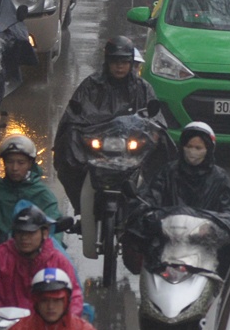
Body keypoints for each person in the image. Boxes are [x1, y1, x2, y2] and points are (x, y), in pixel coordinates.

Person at [54, 37, 165, 211]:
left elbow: (155, 118)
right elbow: (74, 114)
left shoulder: (143, 88)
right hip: (96, 147)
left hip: (131, 147)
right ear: (107, 61)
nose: (119, 66)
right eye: (115, 61)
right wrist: (77, 131)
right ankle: (82, 206)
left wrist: (153, 132)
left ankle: (148, 209)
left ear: (131, 63)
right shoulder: (91, 85)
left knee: (161, 154)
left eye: (124, 62)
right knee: (68, 149)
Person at [121, 122, 230, 274]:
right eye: (189, 146)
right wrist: (154, 219)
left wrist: (212, 228)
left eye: (198, 148)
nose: (192, 152)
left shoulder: (219, 178)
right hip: (168, 244)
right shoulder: (168, 173)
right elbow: (149, 201)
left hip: (206, 247)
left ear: (208, 150)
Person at [0, 134, 67, 254]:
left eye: (21, 163)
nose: (15, 168)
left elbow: (53, 226)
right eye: (10, 162)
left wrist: (49, 251)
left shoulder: (42, 194)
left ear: (30, 163)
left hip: (31, 257)